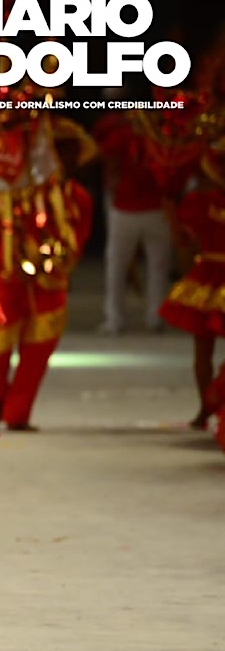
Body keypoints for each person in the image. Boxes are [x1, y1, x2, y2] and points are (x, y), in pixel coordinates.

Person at [159, 148, 225, 428]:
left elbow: (184, 244)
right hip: (209, 275)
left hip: (207, 278)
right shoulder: (198, 201)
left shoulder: (197, 202)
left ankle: (206, 408)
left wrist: (171, 213)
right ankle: (212, 405)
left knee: (202, 351)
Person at [93, 109, 174, 335]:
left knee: (122, 266)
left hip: (139, 208)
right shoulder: (158, 135)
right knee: (150, 266)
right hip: (137, 207)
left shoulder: (134, 133)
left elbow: (101, 153)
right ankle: (147, 316)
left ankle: (121, 318)